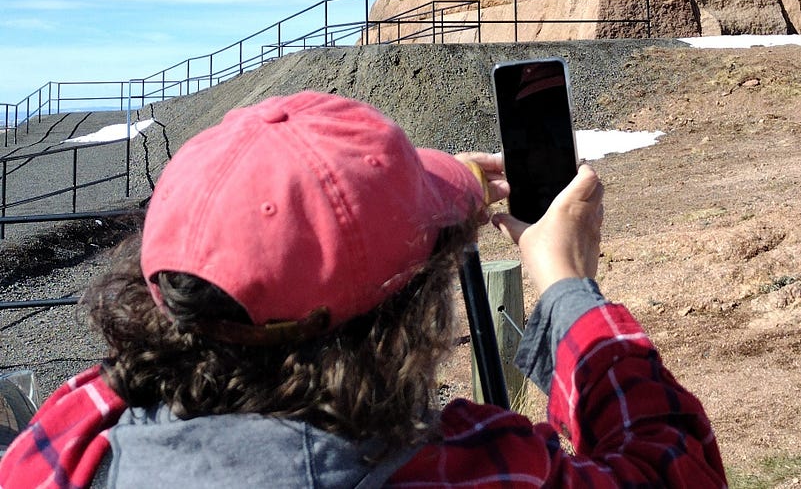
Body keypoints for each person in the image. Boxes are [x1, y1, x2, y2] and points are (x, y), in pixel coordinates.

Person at [0, 90, 726, 488]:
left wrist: (423, 199)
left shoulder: (72, 433)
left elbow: (280, 237)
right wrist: (569, 288)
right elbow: (674, 466)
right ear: (408, 310)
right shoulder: (476, 467)